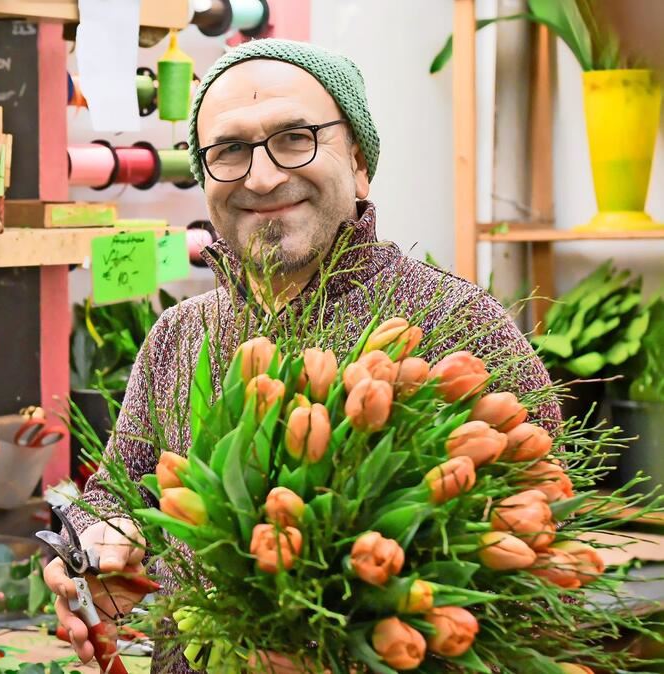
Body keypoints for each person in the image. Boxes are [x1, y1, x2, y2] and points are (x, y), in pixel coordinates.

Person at [45, 39, 559, 674]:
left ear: (360, 160)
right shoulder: (178, 339)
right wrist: (91, 553)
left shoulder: (458, 330)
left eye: (295, 137)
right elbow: (117, 494)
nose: (261, 176)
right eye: (228, 151)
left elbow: (540, 588)